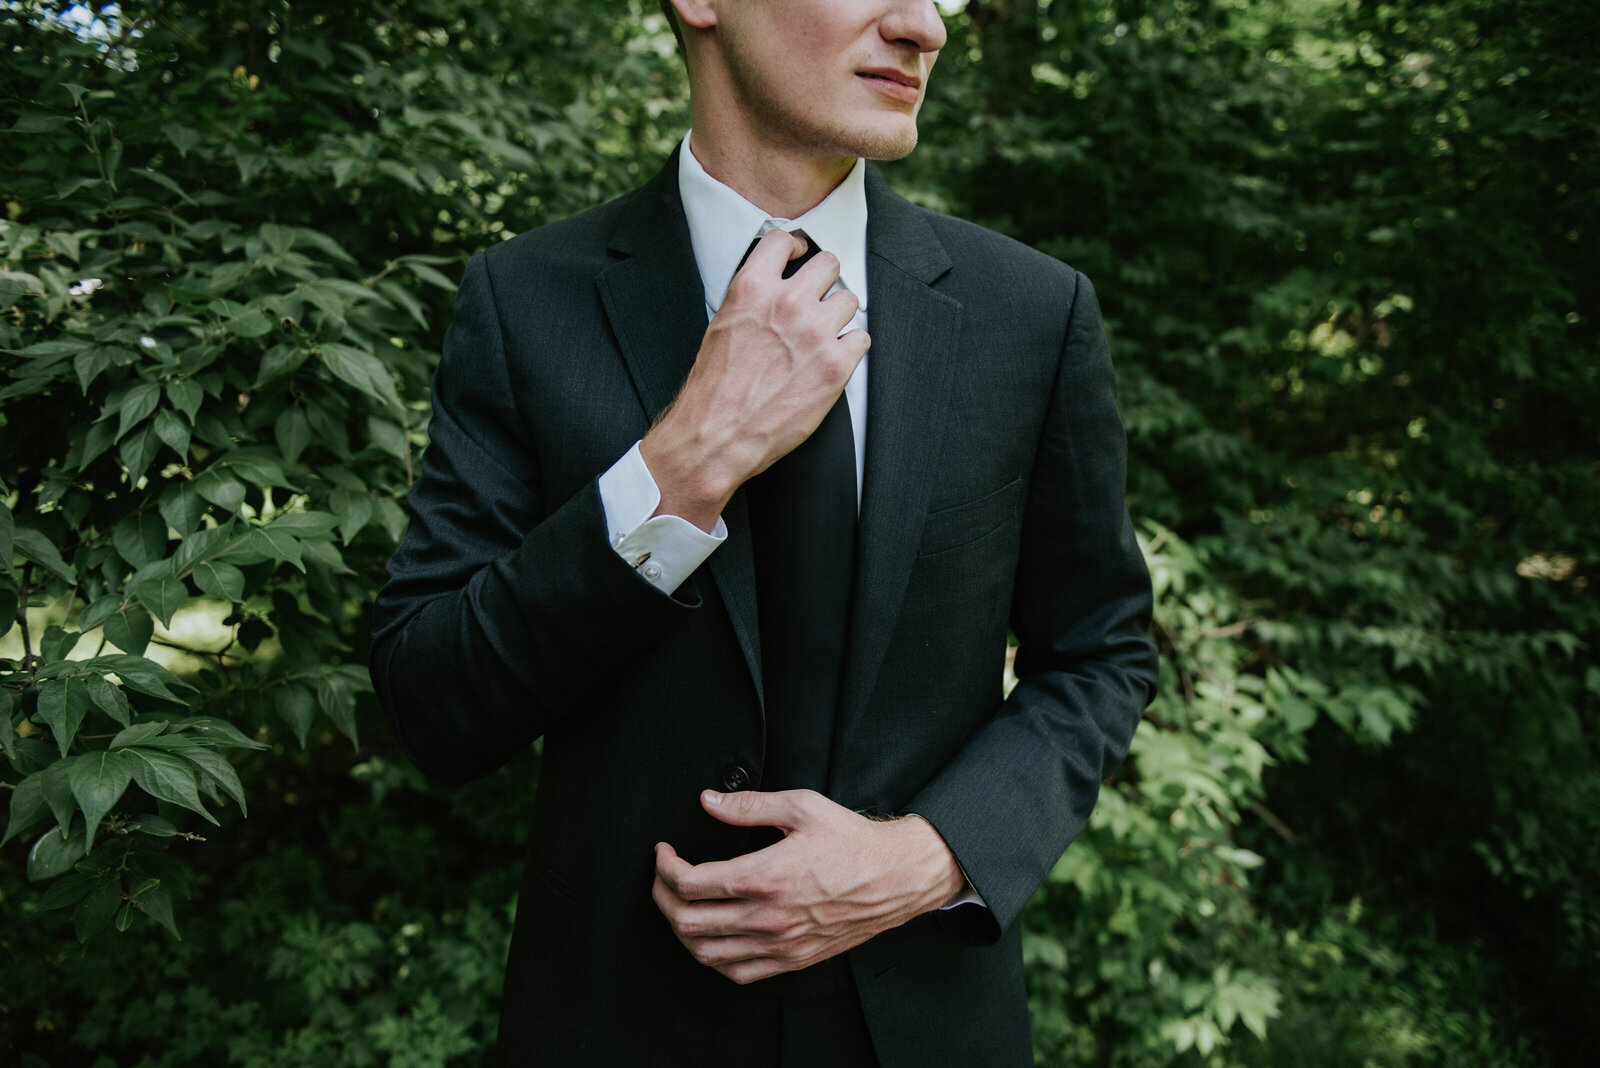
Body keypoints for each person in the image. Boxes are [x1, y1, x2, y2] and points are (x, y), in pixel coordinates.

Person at [368, 0, 1158, 1063]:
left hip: (923, 1029)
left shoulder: (1034, 312)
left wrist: (927, 857)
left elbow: (1102, 653)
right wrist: (681, 467)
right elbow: (432, 704)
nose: (924, 25)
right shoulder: (525, 302)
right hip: (616, 1025)